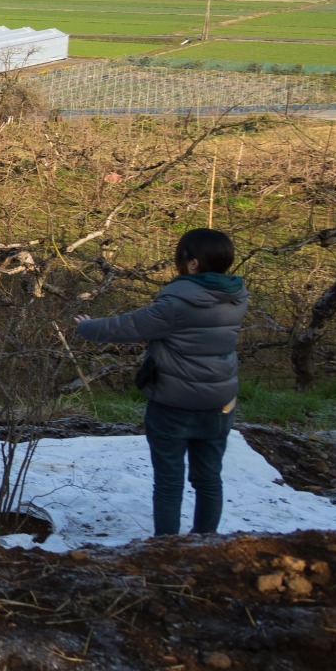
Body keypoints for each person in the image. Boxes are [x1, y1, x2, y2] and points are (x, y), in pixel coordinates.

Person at [75, 227, 247, 538]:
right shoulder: (237, 297)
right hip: (221, 402)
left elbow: (127, 327)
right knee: (209, 478)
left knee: (169, 481)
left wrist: (88, 328)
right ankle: (205, 542)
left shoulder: (177, 304)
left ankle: (166, 549)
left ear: (193, 264)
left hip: (174, 403)